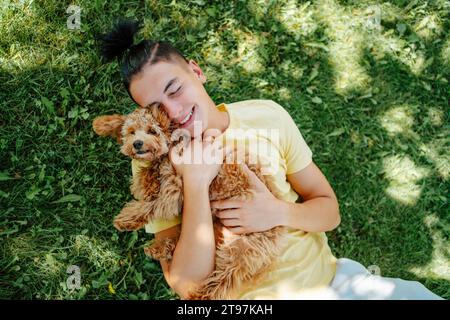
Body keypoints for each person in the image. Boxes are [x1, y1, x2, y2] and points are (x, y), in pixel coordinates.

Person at [97, 20, 443, 300]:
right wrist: (196, 182)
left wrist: (278, 211)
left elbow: (329, 211)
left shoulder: (266, 116)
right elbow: (187, 285)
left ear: (196, 72)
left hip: (335, 284)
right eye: (156, 108)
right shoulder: (155, 160)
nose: (173, 112)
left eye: (175, 89)